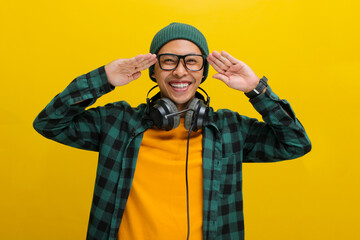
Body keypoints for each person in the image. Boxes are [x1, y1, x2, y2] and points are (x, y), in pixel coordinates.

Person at [33, 22, 311, 240]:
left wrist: (255, 89)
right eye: (168, 61)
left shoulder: (229, 130)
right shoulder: (117, 122)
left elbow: (296, 143)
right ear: (153, 70)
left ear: (203, 72)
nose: (180, 71)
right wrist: (103, 78)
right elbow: (49, 123)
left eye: (191, 61)